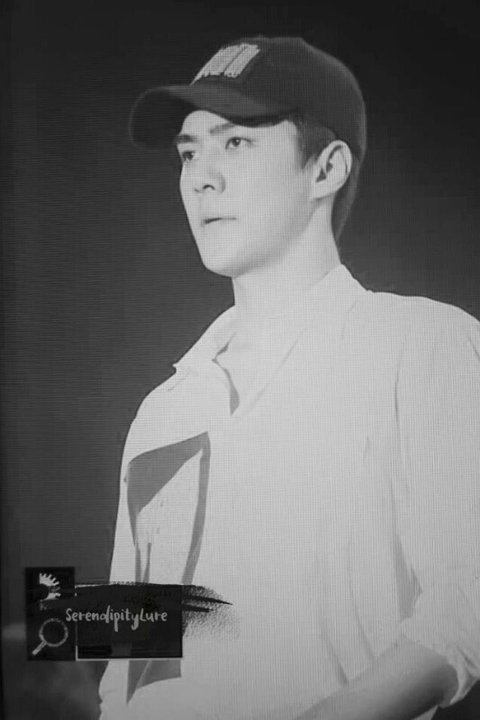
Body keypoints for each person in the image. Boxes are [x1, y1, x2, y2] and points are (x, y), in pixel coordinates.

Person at [98, 36, 480, 720]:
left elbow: (467, 602)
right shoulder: (163, 408)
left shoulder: (424, 347)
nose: (201, 177)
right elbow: (129, 656)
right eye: (189, 153)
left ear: (326, 168)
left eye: (236, 143)